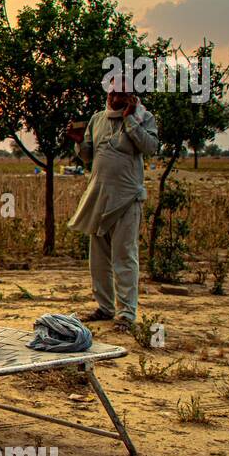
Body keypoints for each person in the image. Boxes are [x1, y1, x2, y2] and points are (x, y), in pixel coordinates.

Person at [66, 79, 159, 333]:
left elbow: (150, 147)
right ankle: (105, 307)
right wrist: (77, 142)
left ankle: (126, 313)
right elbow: (88, 156)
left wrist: (130, 121)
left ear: (131, 96)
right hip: (99, 197)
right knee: (98, 259)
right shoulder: (98, 119)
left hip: (127, 199)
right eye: (112, 92)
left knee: (124, 257)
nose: (115, 98)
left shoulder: (144, 118)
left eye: (121, 94)